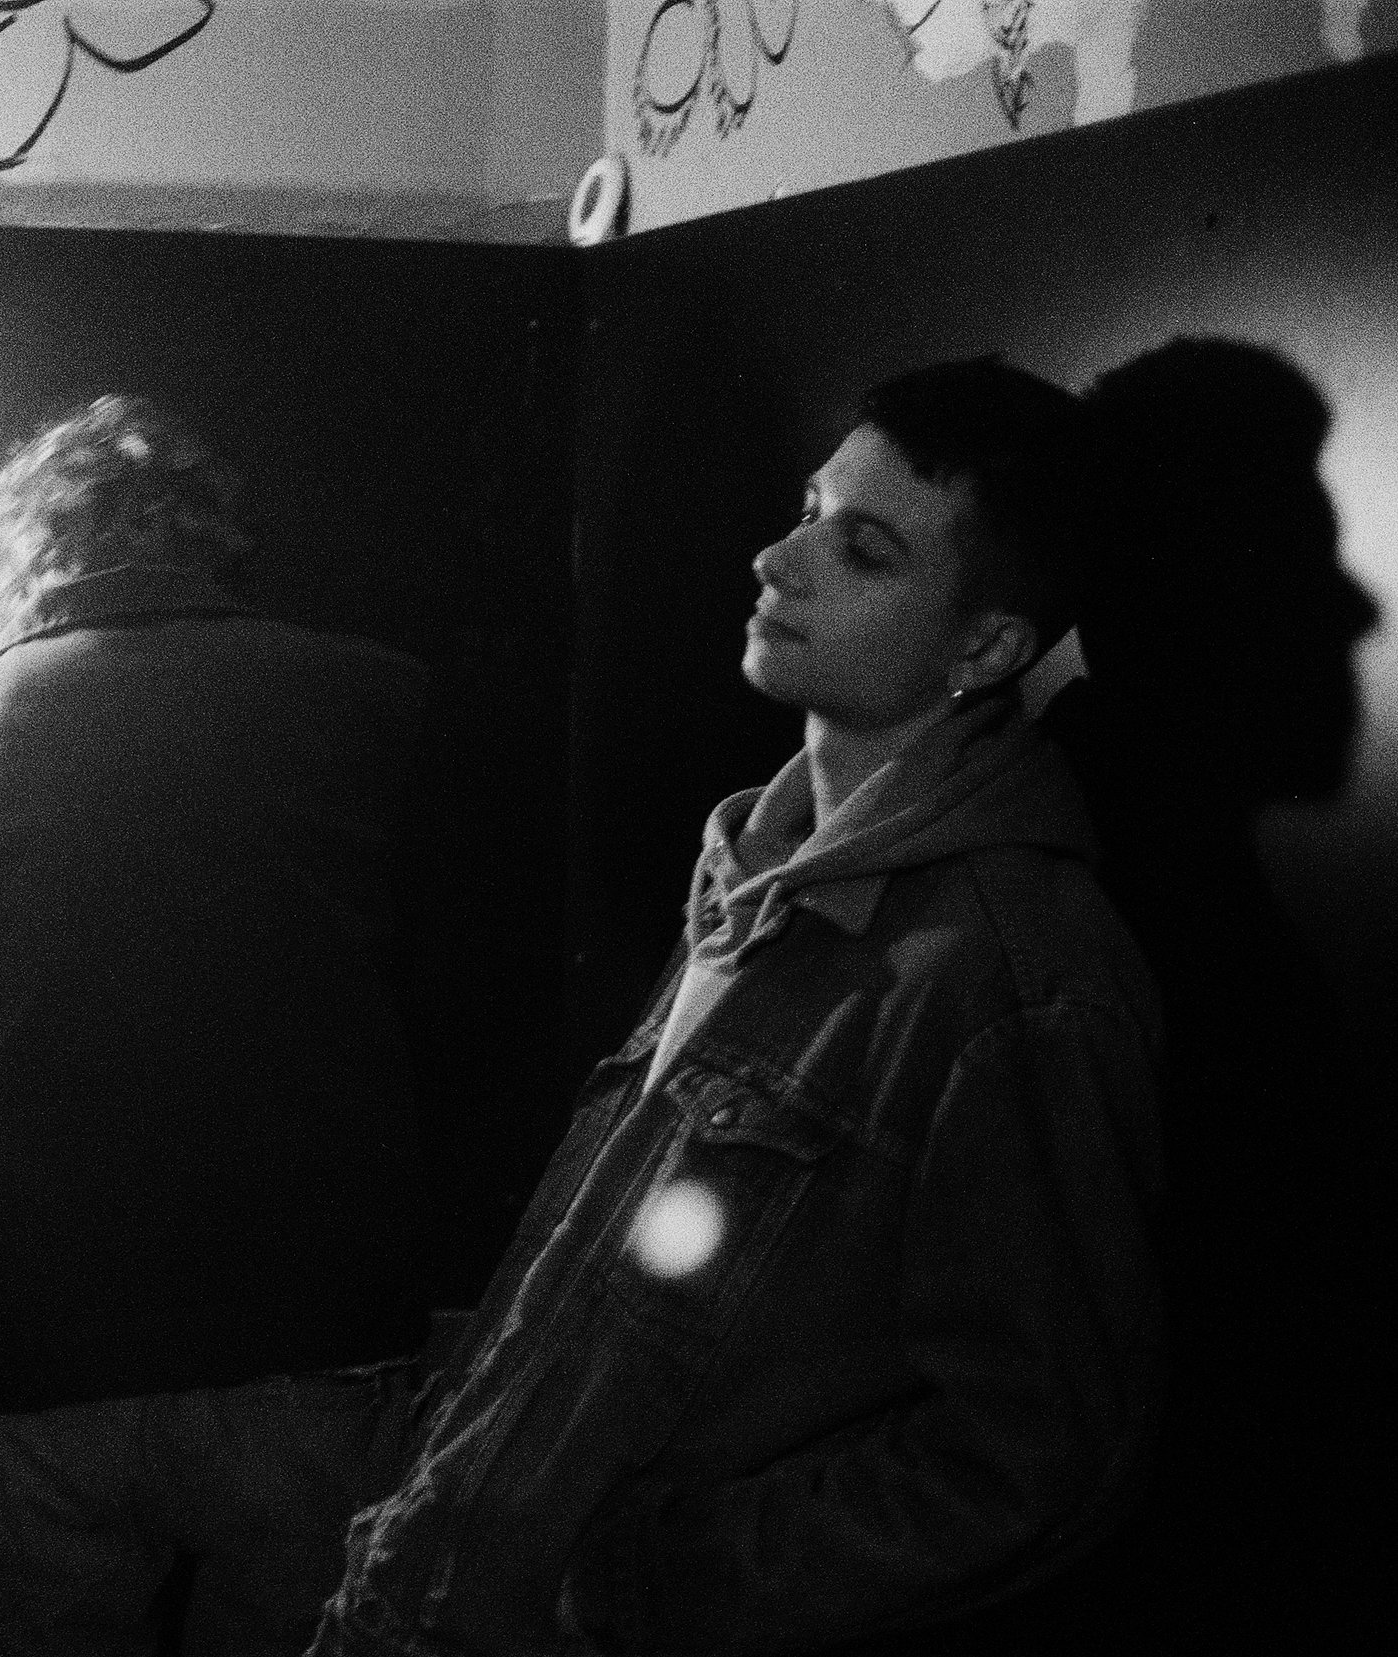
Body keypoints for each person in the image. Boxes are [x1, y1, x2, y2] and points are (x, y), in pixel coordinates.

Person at [311, 359, 1164, 1656]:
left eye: (863, 548)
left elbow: (1027, 1461)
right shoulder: (756, 874)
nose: (780, 557)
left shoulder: (1012, 977)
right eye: (809, 506)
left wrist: (645, 1585)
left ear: (986, 645)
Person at [0, 394, 431, 1656]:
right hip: (320, 1353)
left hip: (34, 1365)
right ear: (213, 541)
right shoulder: (380, 704)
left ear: (13, 560)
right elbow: (455, 1008)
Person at [1039, 337, 1381, 1644]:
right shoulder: (1118, 912)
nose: (1355, 607)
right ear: (1178, 587)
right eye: (1294, 544)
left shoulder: (1130, 858)